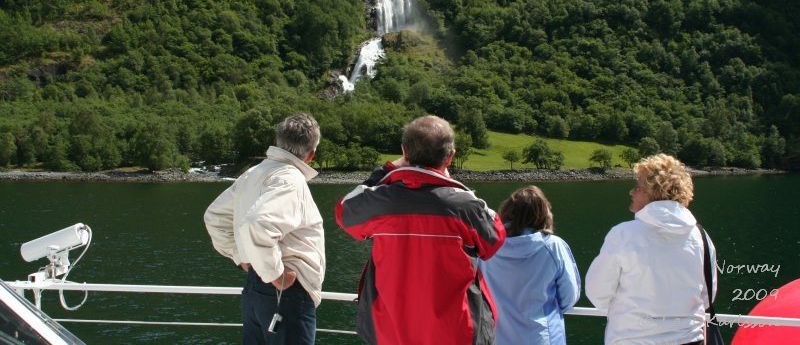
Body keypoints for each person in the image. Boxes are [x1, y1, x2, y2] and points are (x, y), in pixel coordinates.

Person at [336, 115, 506, 344]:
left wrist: (386, 170)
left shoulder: (379, 202)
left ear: (404, 152)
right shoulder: (466, 206)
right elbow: (495, 239)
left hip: (390, 332)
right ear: (450, 157)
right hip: (456, 333)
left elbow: (344, 211)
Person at [204, 113, 325, 345]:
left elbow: (215, 217)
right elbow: (256, 224)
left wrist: (241, 256)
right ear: (311, 154)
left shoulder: (254, 173)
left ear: (276, 141)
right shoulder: (291, 180)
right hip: (286, 292)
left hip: (255, 289)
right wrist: (275, 275)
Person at [585, 154, 717, 345]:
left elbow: (597, 292)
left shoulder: (623, 234)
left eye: (637, 187)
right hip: (690, 339)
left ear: (654, 193)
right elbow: (707, 297)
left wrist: (629, 314)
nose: (631, 192)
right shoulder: (701, 237)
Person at [478, 186, 581, 345]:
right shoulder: (552, 247)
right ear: (543, 214)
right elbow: (569, 296)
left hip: (497, 337)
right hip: (542, 337)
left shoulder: (487, 246)